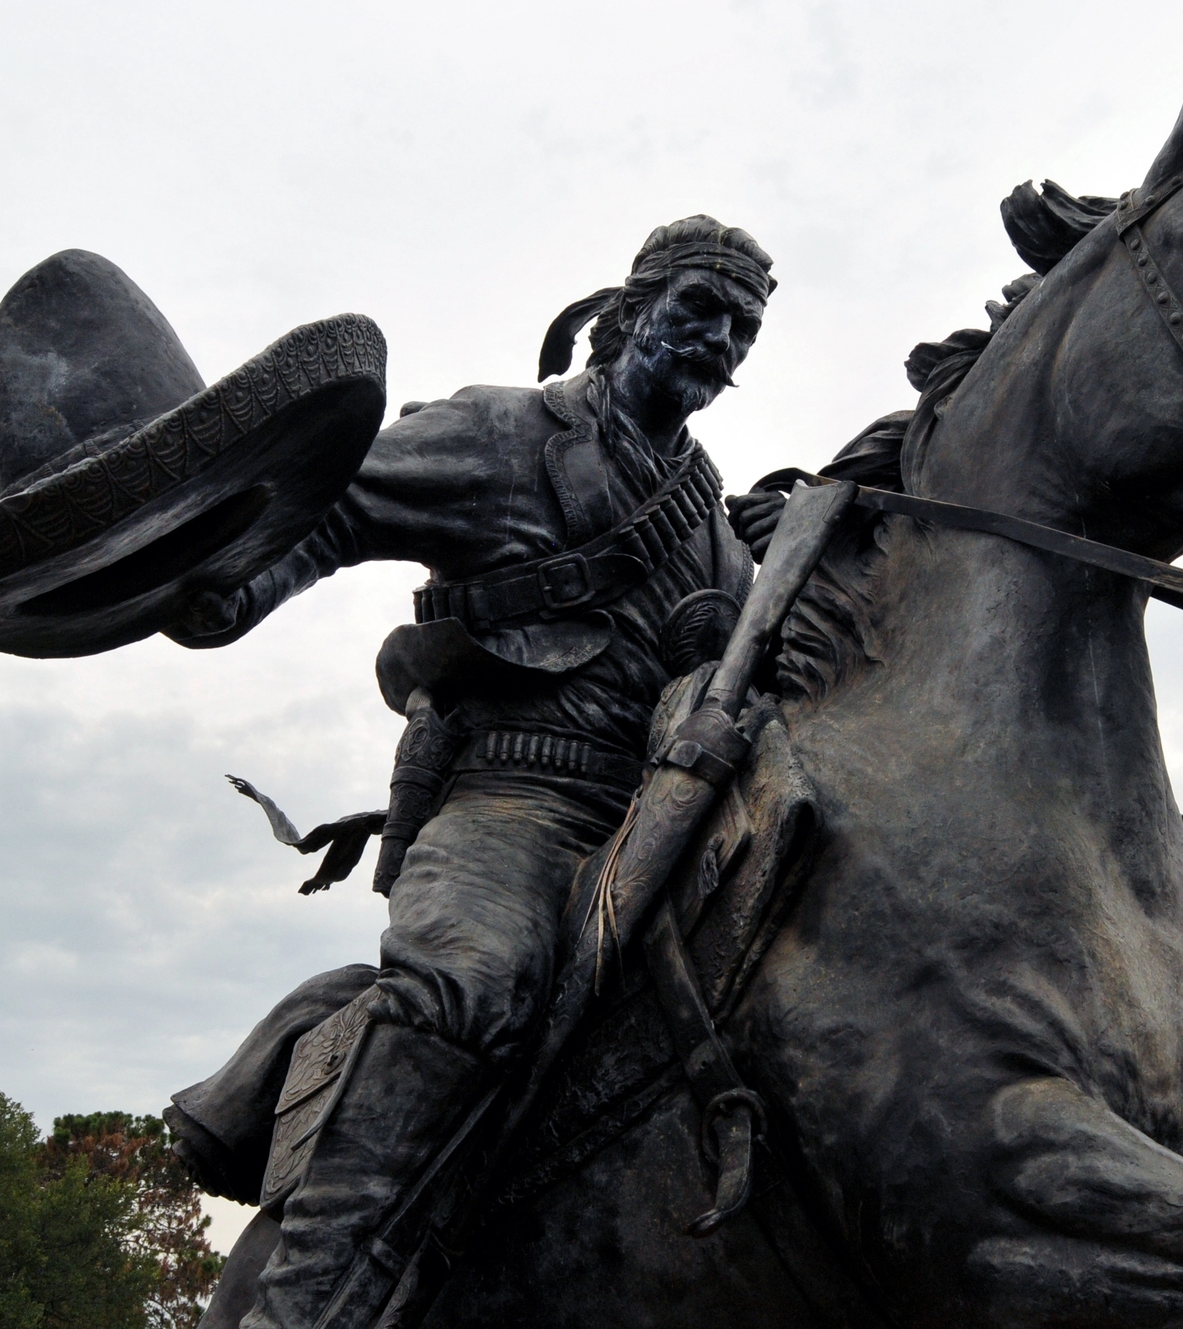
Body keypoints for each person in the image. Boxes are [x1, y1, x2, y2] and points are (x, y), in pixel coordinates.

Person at [163, 216, 785, 1329]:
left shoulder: (718, 533)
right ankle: (303, 1302)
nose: (718, 340)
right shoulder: (504, 431)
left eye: (740, 328)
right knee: (475, 981)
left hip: (658, 825)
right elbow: (331, 504)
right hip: (513, 801)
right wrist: (234, 588)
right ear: (627, 311)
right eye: (698, 309)